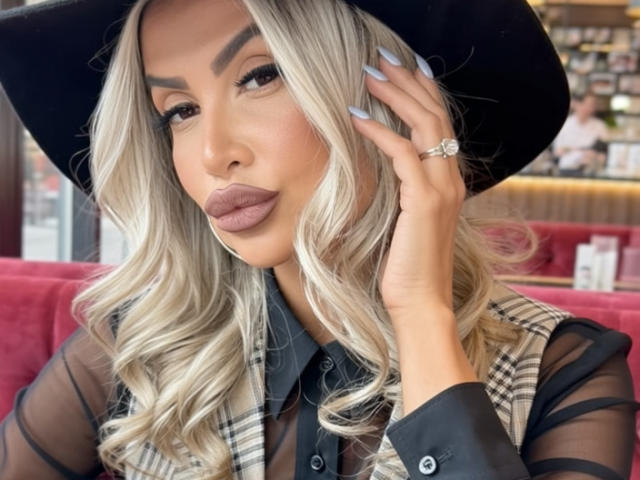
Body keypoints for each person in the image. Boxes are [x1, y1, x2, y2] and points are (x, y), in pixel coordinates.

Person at [0, 0, 638, 479]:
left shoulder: (561, 370)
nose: (214, 153)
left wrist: (421, 313)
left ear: (397, 99)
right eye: (180, 111)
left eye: (260, 76)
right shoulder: (137, 343)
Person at [552, 91, 609, 176]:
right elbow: (557, 152)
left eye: (593, 105)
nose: (591, 108)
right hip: (566, 170)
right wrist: (579, 151)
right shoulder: (564, 124)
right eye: (588, 104)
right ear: (576, 104)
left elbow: (605, 152)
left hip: (591, 172)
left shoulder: (600, 126)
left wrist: (594, 155)